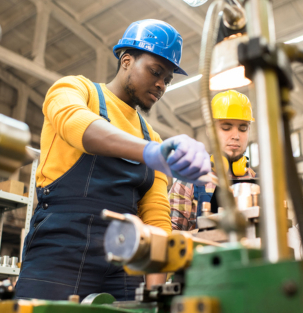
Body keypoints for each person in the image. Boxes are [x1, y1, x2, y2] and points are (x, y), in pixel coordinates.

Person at [15, 19, 211, 301]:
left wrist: (156, 292)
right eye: (156, 72)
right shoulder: (77, 90)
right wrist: (150, 153)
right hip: (60, 249)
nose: (161, 85)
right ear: (127, 61)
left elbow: (156, 218)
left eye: (167, 79)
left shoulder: (151, 136)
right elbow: (75, 123)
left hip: (127, 260)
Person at [169, 90, 256, 231]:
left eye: (243, 128)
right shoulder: (188, 181)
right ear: (210, 131)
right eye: (226, 128)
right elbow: (172, 238)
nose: (236, 136)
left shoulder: (254, 182)